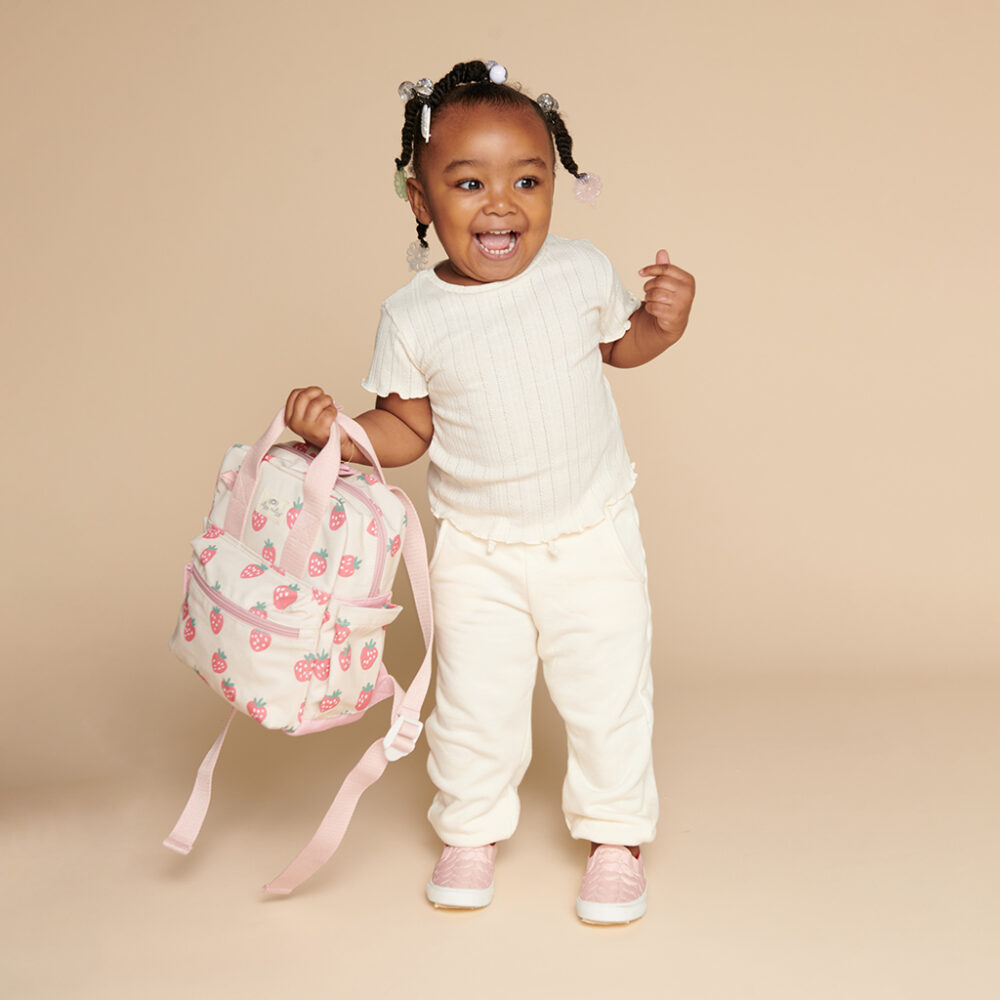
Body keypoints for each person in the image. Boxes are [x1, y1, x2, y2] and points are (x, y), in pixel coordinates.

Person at [285, 59, 695, 924]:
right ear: (421, 202)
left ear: (555, 187)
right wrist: (341, 436)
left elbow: (621, 351)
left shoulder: (580, 273)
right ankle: (470, 829)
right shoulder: (414, 315)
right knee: (476, 699)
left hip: (592, 533)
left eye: (527, 180)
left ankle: (616, 837)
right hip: (476, 546)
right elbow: (408, 429)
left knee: (608, 688)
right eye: (468, 182)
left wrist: (663, 322)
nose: (500, 203)